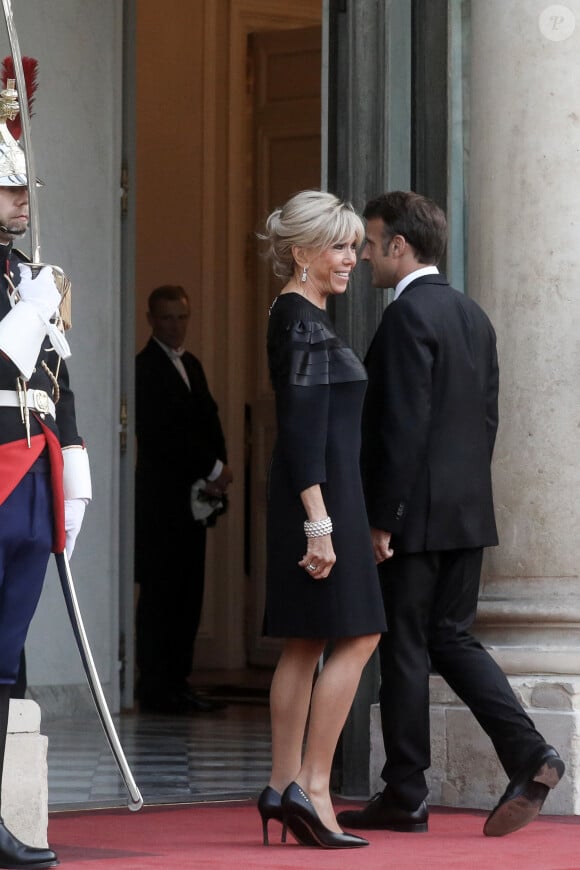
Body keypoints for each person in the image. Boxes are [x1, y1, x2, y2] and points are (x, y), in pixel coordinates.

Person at [336, 190, 564, 838]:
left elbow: (401, 429)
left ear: (400, 246)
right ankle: (531, 753)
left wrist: (385, 517)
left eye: (373, 244)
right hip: (466, 514)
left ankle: (405, 792)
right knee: (451, 639)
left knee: (406, 648)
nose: (367, 255)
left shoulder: (406, 318)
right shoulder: (473, 316)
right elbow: (485, 422)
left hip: (416, 517)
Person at [258, 190, 386, 850]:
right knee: (359, 635)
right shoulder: (301, 319)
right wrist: (320, 522)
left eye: (354, 247)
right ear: (304, 252)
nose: (352, 260)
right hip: (319, 502)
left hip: (325, 500)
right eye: (339, 247)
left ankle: (284, 786)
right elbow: (302, 427)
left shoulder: (299, 314)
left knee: (308, 641)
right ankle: (312, 784)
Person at [0, 89, 91, 868]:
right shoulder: (26, 291)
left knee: (4, 658)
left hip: (32, 479)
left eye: (25, 185)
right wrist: (31, 313)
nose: (23, 198)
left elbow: (60, 384)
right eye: (8, 185)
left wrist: (79, 475)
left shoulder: (31, 276)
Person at [134, 285, 233, 715]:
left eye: (181, 317)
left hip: (195, 500)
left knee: (189, 592)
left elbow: (207, 418)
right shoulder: (144, 367)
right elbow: (162, 433)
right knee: (161, 593)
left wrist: (221, 470)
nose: (175, 325)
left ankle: (179, 680)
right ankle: (156, 685)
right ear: (152, 319)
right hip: (162, 502)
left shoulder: (191, 363)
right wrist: (212, 469)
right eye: (167, 317)